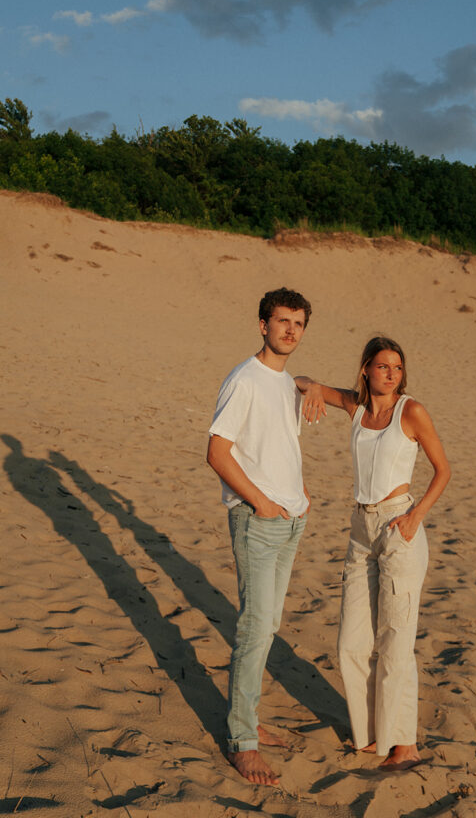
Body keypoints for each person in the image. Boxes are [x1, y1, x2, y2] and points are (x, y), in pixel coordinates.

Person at [296, 336, 450, 771]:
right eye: (382, 367)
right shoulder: (358, 407)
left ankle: (405, 744)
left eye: (397, 368)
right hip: (360, 530)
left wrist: (417, 515)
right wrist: (309, 389)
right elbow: (305, 381)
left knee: (396, 641)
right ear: (365, 369)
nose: (390, 374)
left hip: (399, 524)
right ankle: (371, 736)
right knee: (351, 643)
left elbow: (444, 469)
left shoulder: (411, 411)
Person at [207, 287, 312, 786]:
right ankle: (241, 741)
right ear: (262, 325)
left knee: (267, 626)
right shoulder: (244, 379)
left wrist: (294, 499)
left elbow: (280, 449)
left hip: (290, 521)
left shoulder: (288, 382)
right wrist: (260, 502)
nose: (290, 330)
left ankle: (247, 719)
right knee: (253, 629)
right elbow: (218, 452)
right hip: (258, 521)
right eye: (282, 321)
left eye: (298, 323)